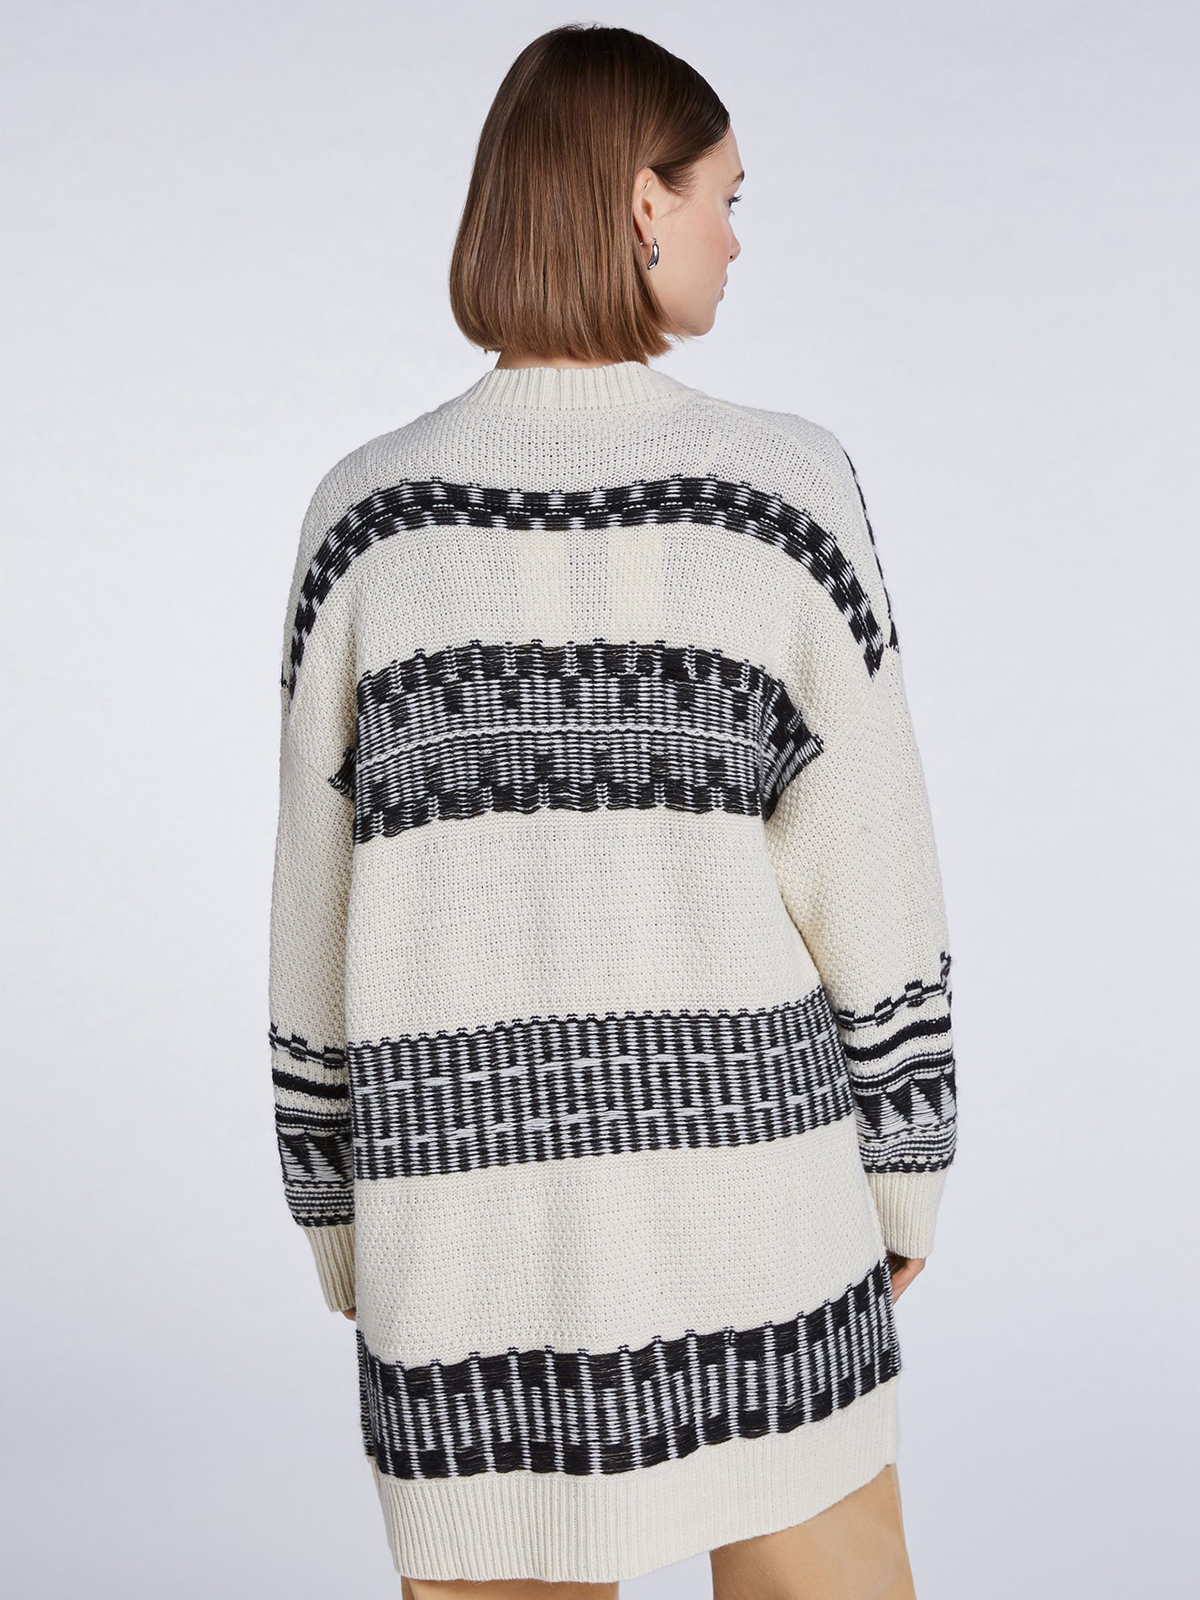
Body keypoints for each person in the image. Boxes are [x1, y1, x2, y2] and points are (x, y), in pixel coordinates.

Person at [267, 22, 956, 1600]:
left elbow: (314, 911)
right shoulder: (784, 493)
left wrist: (341, 1214)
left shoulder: (364, 524)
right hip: (761, 1211)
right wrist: (908, 1157)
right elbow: (871, 866)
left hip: (464, 1235)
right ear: (646, 202)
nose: (736, 236)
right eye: (725, 194)